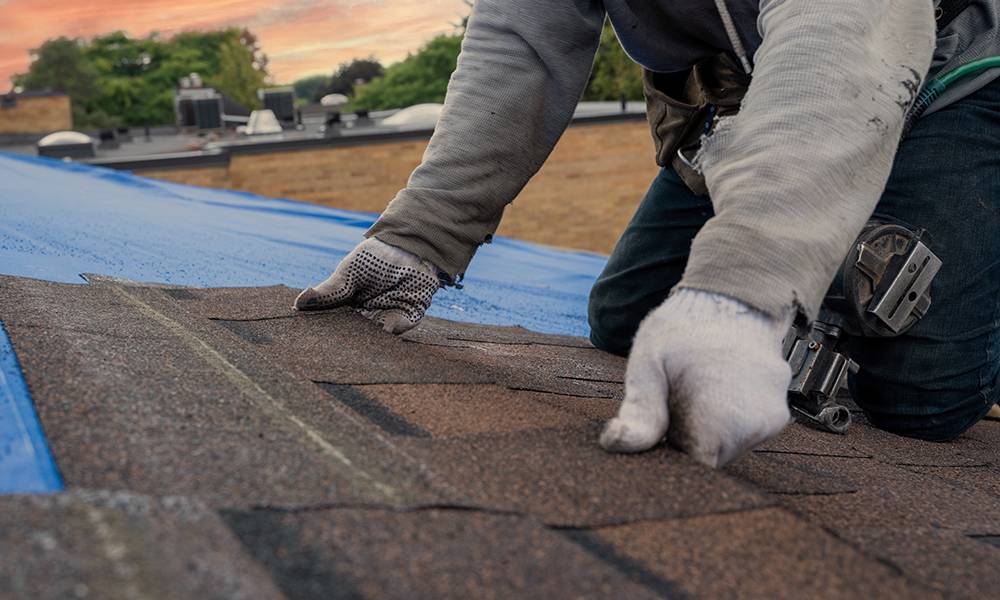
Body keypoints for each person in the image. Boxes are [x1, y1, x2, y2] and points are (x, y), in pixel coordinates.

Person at [295, 0, 1000, 467]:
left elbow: (850, 32)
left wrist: (742, 294)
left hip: (948, 68)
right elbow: (525, 43)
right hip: (761, 85)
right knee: (628, 319)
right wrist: (419, 237)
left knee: (922, 400)